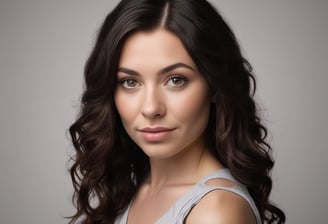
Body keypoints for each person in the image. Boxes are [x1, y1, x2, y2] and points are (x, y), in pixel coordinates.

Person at [68, 0, 286, 223]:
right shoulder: (134, 189)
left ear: (214, 87)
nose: (151, 108)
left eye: (175, 80)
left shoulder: (217, 212)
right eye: (130, 82)